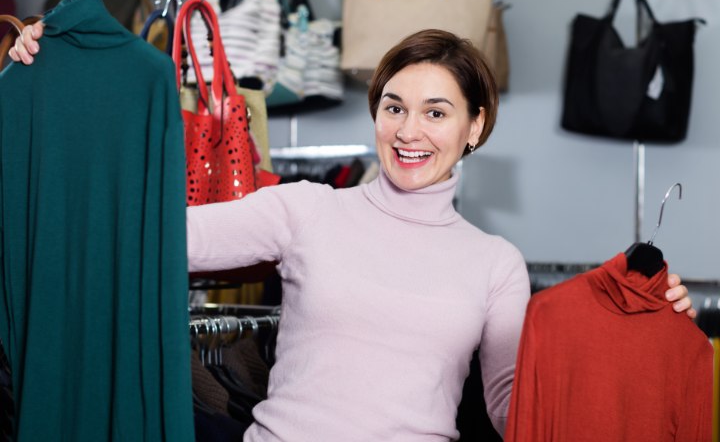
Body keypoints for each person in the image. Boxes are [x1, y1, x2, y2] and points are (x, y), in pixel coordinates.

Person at [8, 24, 696, 441]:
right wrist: (58, 75)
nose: (409, 131)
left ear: (475, 126)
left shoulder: (495, 264)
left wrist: (636, 333)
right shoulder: (308, 210)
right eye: (393, 106)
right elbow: (146, 236)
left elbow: (515, 409)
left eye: (436, 112)